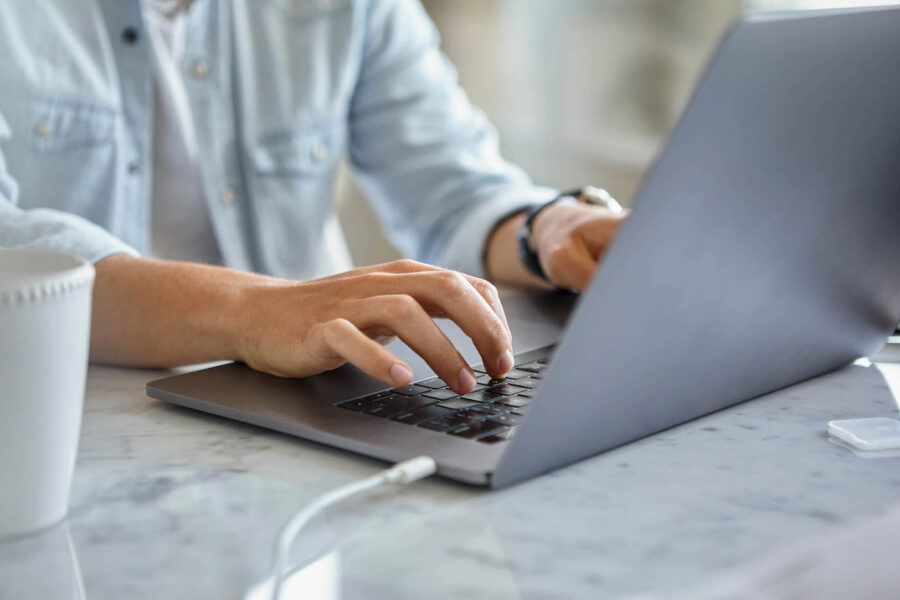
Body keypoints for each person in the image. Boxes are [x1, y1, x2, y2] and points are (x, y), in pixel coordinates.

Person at [0, 0, 625, 394]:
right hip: (68, 436)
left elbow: (454, 188)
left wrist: (545, 227)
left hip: (316, 413)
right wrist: (252, 311)